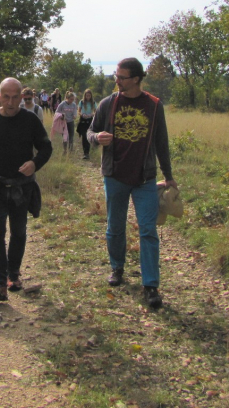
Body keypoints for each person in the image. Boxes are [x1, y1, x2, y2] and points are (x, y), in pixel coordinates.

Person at [87, 58, 177, 310]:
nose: (116, 81)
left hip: (145, 179)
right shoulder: (108, 103)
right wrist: (96, 138)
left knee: (148, 230)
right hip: (115, 176)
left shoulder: (154, 106)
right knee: (115, 227)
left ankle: (151, 285)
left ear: (136, 78)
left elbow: (162, 142)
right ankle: (117, 268)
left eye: (121, 77)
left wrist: (168, 175)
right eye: (116, 76)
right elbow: (89, 132)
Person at [0, 77, 53, 301]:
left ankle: (13, 274)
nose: (10, 102)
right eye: (5, 97)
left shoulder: (30, 120)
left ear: (22, 97)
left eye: (15, 97)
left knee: (18, 232)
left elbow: (46, 147)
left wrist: (34, 164)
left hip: (22, 188)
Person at [77, 88, 96, 159]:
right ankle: (85, 153)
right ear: (85, 96)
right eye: (87, 96)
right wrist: (82, 114)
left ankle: (88, 151)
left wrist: (92, 114)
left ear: (91, 96)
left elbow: (96, 111)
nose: (88, 97)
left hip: (90, 121)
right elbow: (78, 111)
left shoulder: (93, 103)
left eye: (89, 96)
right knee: (84, 137)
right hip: (83, 121)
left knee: (89, 136)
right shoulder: (81, 102)